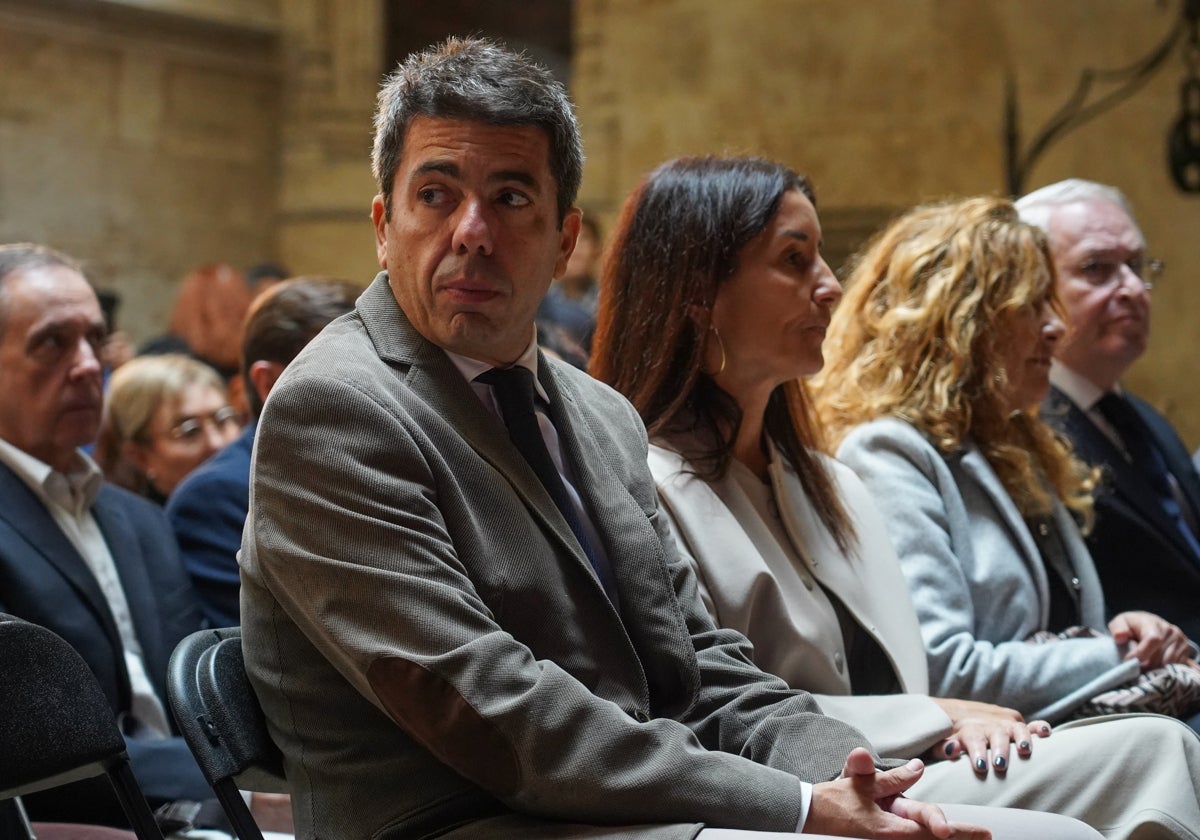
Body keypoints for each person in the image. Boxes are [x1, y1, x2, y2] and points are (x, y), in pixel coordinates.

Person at [236, 35, 1096, 840]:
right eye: (437, 194)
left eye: (510, 197)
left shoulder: (597, 413)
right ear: (384, 227)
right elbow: (486, 705)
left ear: (564, 240)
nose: (471, 231)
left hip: (635, 811)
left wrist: (855, 774)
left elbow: (704, 665)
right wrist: (799, 806)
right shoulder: (336, 407)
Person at [590, 156, 1200, 839]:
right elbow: (711, 704)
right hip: (798, 785)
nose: (830, 287)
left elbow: (900, 674)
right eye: (795, 261)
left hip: (908, 754)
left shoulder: (830, 482)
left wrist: (948, 724)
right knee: (1147, 759)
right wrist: (943, 715)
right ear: (699, 291)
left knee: (1155, 748)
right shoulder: (644, 485)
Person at [813, 197, 1198, 727]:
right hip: (982, 753)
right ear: (964, 321)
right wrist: (1118, 655)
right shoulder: (888, 451)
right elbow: (943, 668)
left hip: (1058, 732)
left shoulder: (1013, 444)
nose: (1055, 327)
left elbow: (1055, 632)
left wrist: (1121, 630)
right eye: (1033, 304)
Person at [0, 243, 212, 827]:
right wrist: (230, 785)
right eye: (52, 343)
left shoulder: (140, 519)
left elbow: (203, 697)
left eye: (96, 338)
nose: (91, 365)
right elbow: (30, 751)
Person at [1014, 179, 1200, 642]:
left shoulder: (1140, 416)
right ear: (1029, 290)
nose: (1133, 288)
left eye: (1137, 266)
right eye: (1097, 268)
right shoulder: (1021, 429)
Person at [167, 276, 360, 627]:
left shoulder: (374, 463)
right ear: (270, 383)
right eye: (347, 371)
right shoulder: (215, 499)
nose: (375, 391)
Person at [94, 354, 242, 503]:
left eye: (222, 419)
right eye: (190, 431)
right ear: (140, 457)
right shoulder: (142, 523)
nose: (216, 443)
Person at [536, 212, 601, 360]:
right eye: (569, 240)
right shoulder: (540, 302)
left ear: (597, 249)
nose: (576, 248)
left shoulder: (608, 305)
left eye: (584, 238)